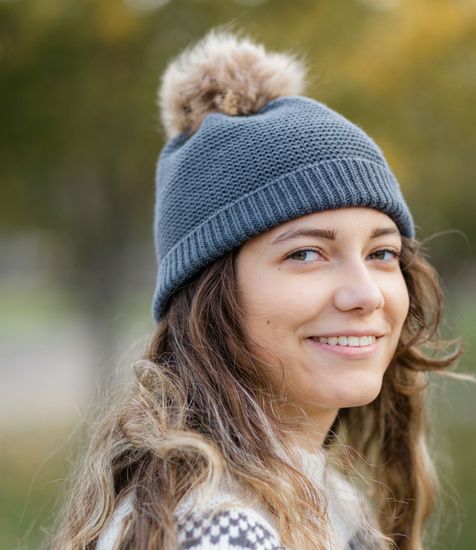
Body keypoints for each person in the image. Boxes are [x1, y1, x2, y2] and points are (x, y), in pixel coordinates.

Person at [52, 29, 466, 549]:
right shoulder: (220, 530)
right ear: (209, 295)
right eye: (306, 254)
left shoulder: (319, 498)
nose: (366, 294)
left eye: (381, 253)